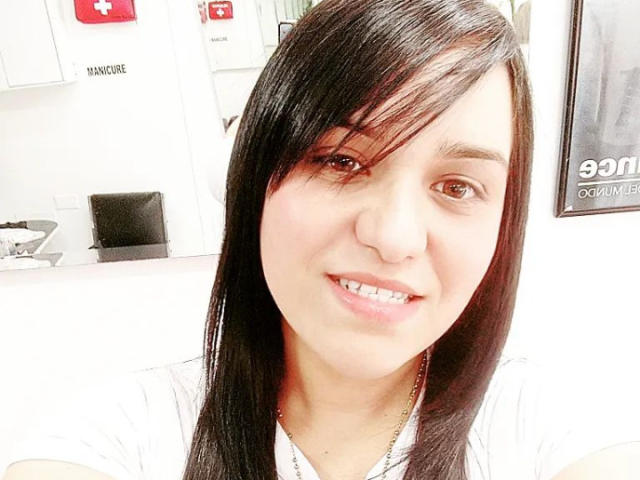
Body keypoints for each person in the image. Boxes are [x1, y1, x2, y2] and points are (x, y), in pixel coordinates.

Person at [4, 1, 639, 479]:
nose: (394, 237)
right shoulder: (124, 436)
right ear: (254, 181)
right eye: (341, 160)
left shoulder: (547, 429)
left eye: (456, 186)